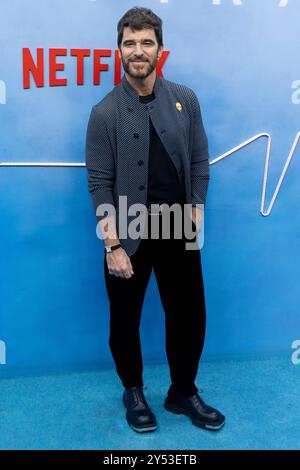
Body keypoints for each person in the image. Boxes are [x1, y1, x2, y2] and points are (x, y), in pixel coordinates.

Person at [85, 6, 225, 433]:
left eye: (147, 42)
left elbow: (200, 159)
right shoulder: (104, 112)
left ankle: (182, 392)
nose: (138, 50)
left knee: (189, 315)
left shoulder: (186, 100)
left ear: (160, 50)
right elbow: (99, 184)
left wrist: (197, 206)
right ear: (119, 50)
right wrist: (112, 246)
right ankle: (134, 393)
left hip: (178, 226)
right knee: (124, 319)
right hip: (127, 230)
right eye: (130, 42)